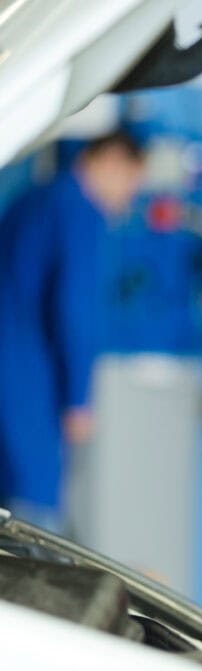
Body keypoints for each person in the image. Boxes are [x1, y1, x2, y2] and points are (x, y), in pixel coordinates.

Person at [0, 129, 146, 531]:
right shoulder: (81, 212)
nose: (127, 201)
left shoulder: (35, 197)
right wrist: (78, 400)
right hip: (27, 391)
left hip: (12, 376)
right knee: (28, 531)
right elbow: (76, 313)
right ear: (113, 162)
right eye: (131, 185)